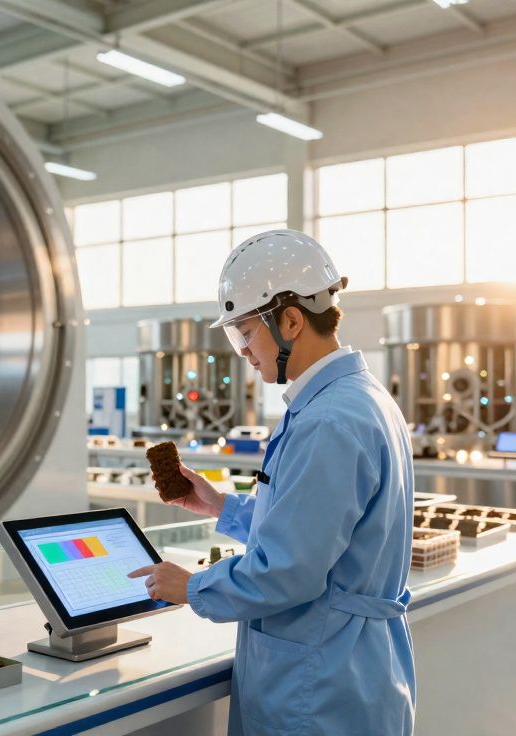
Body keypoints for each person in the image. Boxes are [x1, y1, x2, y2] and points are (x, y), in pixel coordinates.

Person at [128, 229, 416, 735]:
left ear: (290, 320)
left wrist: (192, 586)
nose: (242, 351)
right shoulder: (358, 398)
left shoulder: (328, 420)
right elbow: (317, 529)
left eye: (245, 333)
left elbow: (289, 570)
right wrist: (226, 509)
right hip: (350, 667)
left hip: (318, 683)